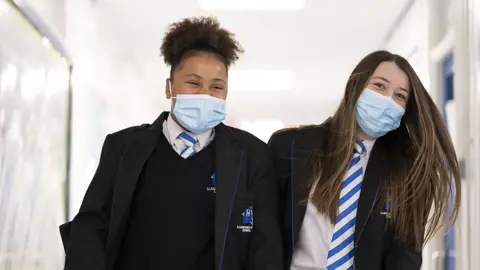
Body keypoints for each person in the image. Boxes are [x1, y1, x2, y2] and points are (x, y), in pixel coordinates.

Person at [62, 16, 283, 270]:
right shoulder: (123, 148)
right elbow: (91, 227)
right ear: (169, 88)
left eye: (217, 87)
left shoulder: (252, 156)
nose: (205, 95)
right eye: (193, 83)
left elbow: (265, 250)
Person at [268, 50, 461, 270]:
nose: (387, 100)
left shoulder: (406, 170)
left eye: (400, 96)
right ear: (356, 86)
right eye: (379, 86)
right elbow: (264, 235)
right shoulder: (292, 146)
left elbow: (405, 255)